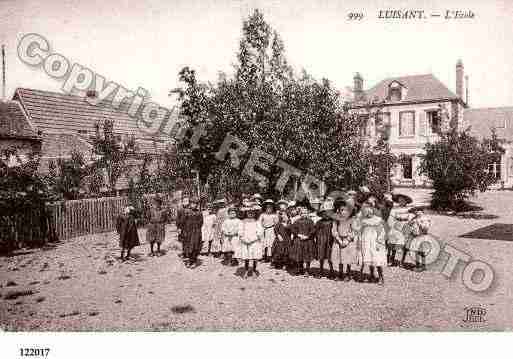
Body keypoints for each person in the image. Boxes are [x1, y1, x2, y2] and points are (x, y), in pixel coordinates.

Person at [356, 197, 387, 285]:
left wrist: (379, 242)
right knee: (368, 257)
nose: (368, 212)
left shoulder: (377, 220)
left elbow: (382, 232)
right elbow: (359, 231)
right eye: (366, 211)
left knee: (376, 258)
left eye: (370, 210)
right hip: (365, 240)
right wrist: (359, 240)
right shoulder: (363, 220)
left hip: (374, 240)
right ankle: (371, 275)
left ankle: (381, 276)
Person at [331, 198, 358, 281]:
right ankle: (340, 273)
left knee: (348, 257)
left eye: (346, 210)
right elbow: (334, 230)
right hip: (339, 240)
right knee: (339, 257)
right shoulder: (336, 219)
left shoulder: (352, 220)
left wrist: (347, 240)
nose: (344, 212)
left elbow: (354, 231)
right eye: (342, 210)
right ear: (339, 210)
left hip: (348, 241)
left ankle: (348, 273)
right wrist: (338, 239)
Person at [236, 203, 264, 278]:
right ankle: (246, 269)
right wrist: (243, 238)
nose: (250, 214)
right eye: (249, 212)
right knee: (246, 257)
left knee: (255, 256)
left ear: (255, 213)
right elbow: (240, 231)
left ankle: (254, 270)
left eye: (252, 213)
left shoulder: (257, 222)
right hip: (245, 241)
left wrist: (254, 239)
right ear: (245, 213)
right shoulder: (243, 222)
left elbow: (260, 232)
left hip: (254, 241)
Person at [288, 204, 316, 276]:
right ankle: (300, 268)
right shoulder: (297, 221)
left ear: (308, 214)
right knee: (299, 255)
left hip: (308, 240)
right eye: (302, 213)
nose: (304, 214)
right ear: (300, 214)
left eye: (305, 213)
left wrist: (308, 236)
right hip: (299, 240)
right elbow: (292, 228)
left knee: (307, 256)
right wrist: (298, 234)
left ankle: (307, 270)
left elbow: (313, 230)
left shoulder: (310, 221)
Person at [314, 201, 335, 278]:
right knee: (321, 256)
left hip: (330, 240)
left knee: (330, 257)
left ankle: (332, 271)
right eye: (324, 213)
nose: (326, 214)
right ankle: (321, 270)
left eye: (328, 212)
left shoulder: (333, 222)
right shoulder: (319, 222)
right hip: (321, 241)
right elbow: (315, 231)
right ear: (321, 214)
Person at [386, 198, 410, 266]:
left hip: (405, 226)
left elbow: (411, 218)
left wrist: (408, 225)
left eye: (403, 201)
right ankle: (391, 260)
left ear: (406, 202)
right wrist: (391, 226)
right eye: (400, 201)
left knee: (404, 245)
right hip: (396, 226)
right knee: (393, 243)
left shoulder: (409, 210)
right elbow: (391, 218)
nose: (402, 202)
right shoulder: (394, 209)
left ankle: (401, 261)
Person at [181, 197, 204, 267]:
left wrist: (197, 230)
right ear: (190, 204)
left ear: (197, 205)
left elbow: (201, 223)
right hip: (188, 232)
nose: (194, 205)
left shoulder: (199, 213)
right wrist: (183, 230)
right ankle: (190, 260)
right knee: (188, 246)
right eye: (192, 203)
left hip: (196, 232)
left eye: (195, 204)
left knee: (195, 246)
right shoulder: (186, 212)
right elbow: (182, 222)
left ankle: (194, 261)